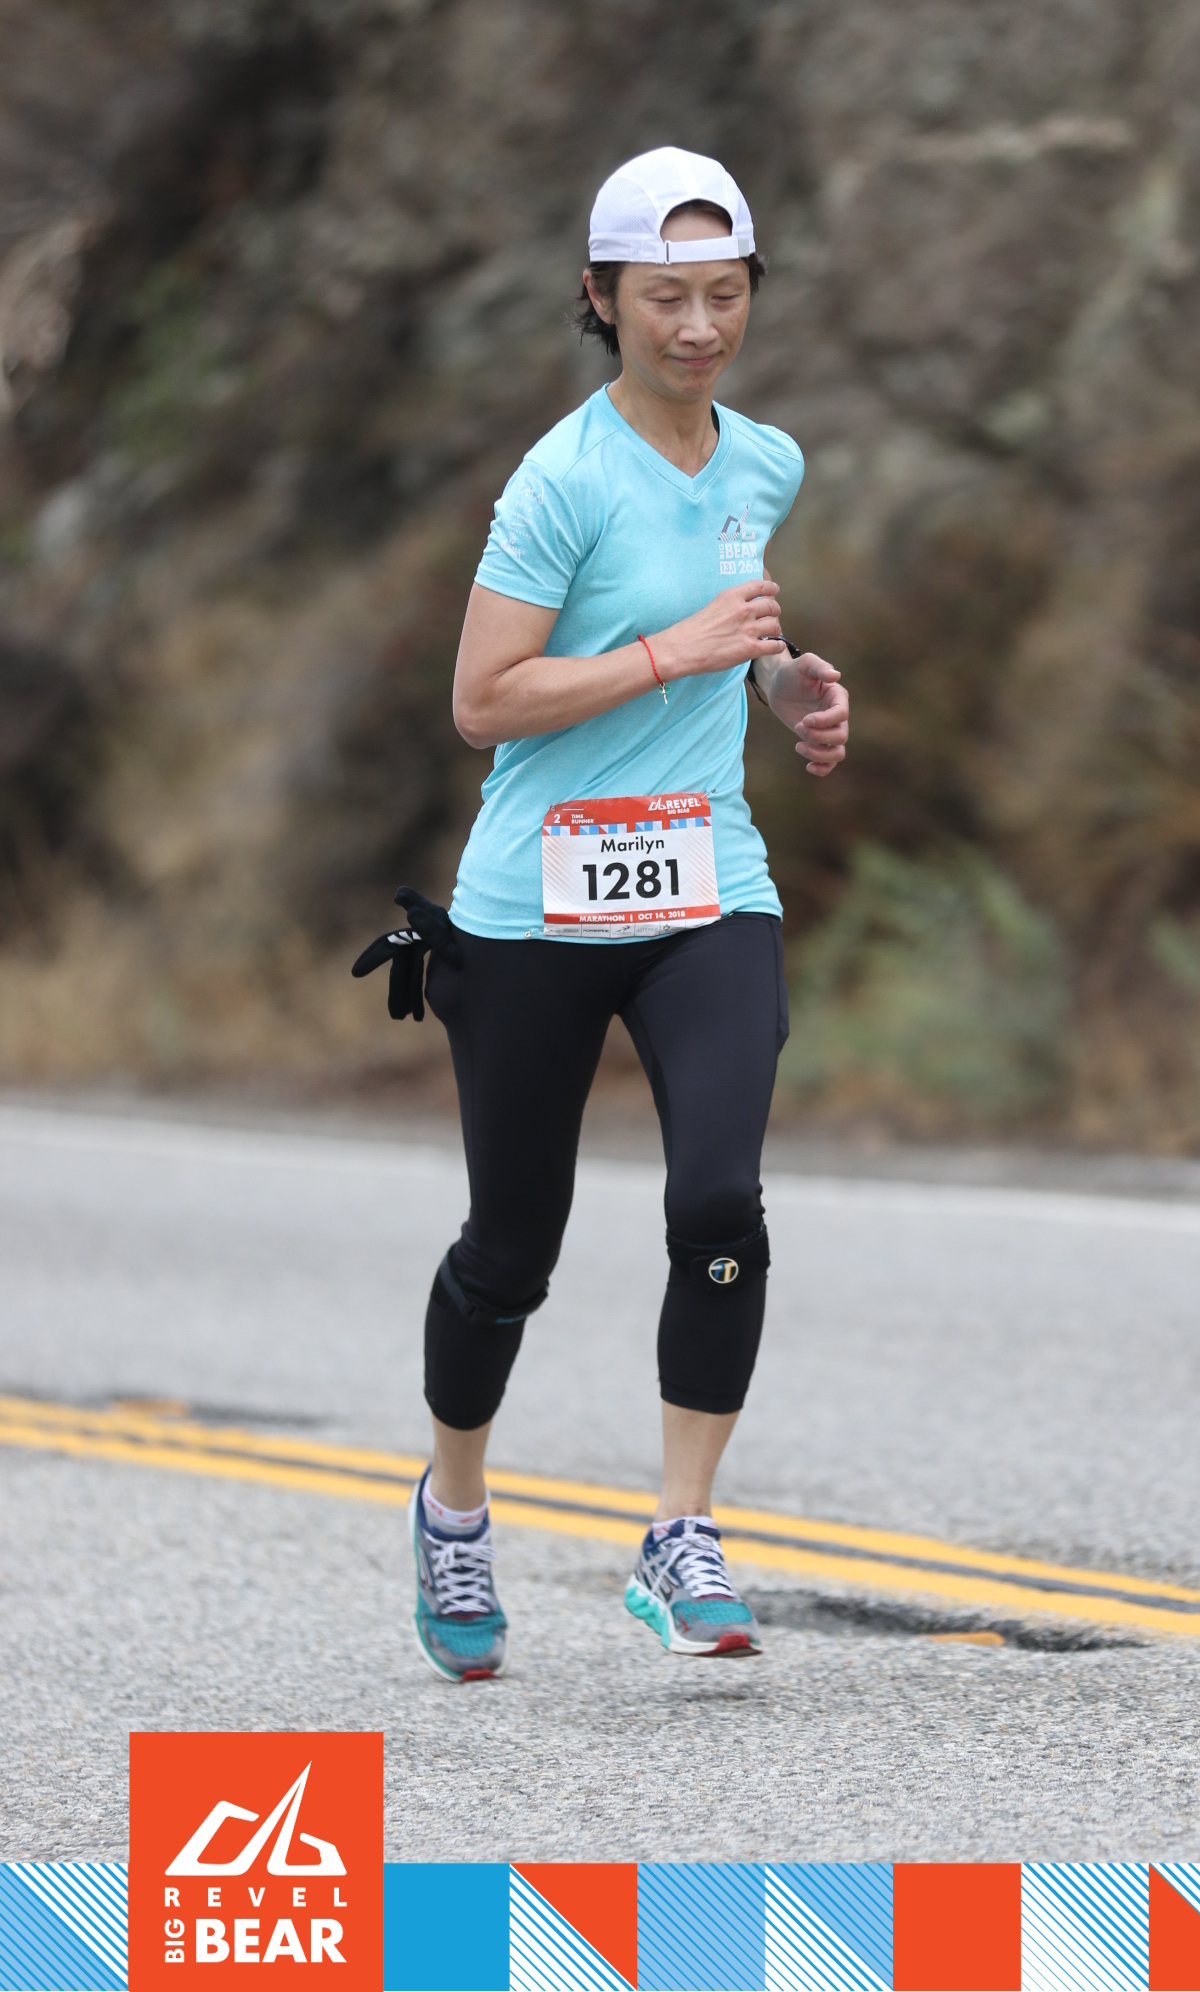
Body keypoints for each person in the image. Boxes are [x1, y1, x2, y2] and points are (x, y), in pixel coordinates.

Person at [354, 146, 848, 1682]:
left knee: (719, 1203)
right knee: (513, 1249)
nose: (698, 326)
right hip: (533, 908)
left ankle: (681, 1530)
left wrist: (784, 684)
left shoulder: (765, 464)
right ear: (602, 297)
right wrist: (670, 655)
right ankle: (453, 1511)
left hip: (707, 882)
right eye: (664, 298)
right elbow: (481, 701)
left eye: (725, 294)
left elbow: (735, 631)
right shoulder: (560, 481)